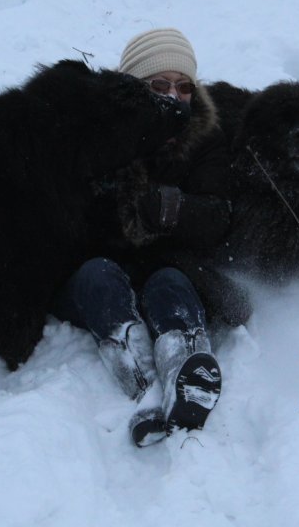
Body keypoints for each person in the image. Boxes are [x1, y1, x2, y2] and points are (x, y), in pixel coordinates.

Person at [54, 27, 233, 446]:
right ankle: (145, 386)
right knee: (98, 278)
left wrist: (169, 207)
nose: (174, 95)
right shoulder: (98, 135)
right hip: (100, 265)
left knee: (169, 284)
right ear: (135, 88)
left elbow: (219, 216)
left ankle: (186, 373)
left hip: (169, 266)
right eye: (159, 84)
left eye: (183, 85)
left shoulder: (205, 138)